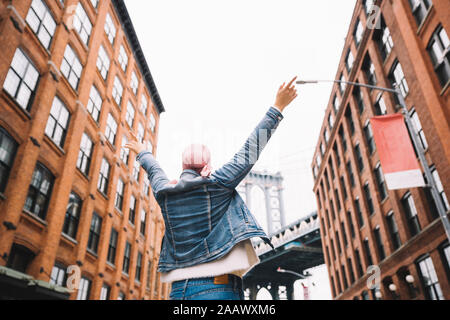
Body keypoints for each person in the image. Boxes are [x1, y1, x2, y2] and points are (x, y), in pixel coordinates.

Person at [125, 76, 298, 300]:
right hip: (218, 288)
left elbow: (154, 170)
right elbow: (250, 150)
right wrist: (278, 106)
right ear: (207, 166)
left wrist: (142, 152)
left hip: (179, 291)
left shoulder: (164, 192)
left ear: (183, 166)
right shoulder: (218, 184)